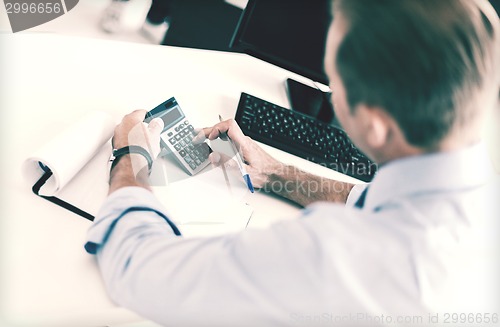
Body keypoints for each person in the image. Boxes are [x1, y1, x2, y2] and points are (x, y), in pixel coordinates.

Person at [85, 0, 500, 326]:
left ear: (374, 126)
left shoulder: (334, 258)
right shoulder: (476, 193)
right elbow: (370, 199)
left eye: (337, 83)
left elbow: (140, 271)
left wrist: (131, 157)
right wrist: (279, 173)